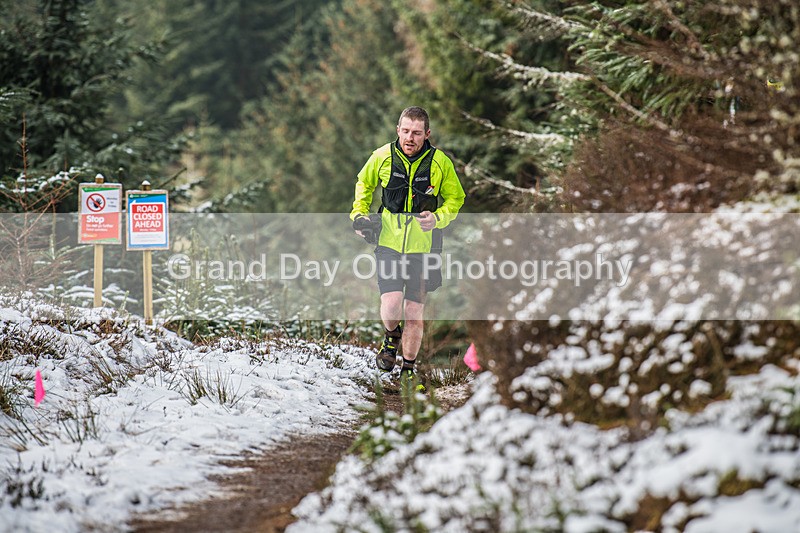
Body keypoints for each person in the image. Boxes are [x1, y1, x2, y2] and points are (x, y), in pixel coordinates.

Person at [351, 106, 466, 387]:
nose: (410, 138)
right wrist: (359, 214)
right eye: (405, 131)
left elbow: (456, 198)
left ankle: (409, 371)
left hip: (424, 248)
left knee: (414, 311)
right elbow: (363, 184)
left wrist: (438, 218)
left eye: (416, 133)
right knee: (391, 304)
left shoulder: (440, 163)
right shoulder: (381, 156)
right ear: (398, 130)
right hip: (389, 242)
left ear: (427, 134)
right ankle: (391, 337)